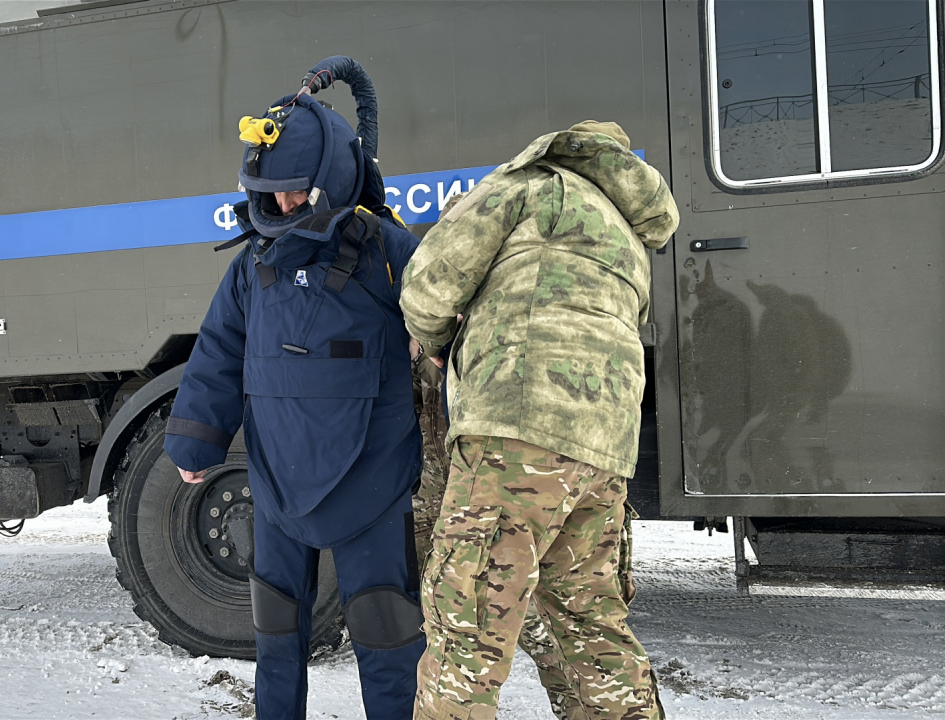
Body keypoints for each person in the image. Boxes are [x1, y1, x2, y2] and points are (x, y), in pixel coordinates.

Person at [163, 62, 426, 720]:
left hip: (371, 483)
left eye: (292, 194)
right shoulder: (253, 268)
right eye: (269, 194)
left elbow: (452, 327)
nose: (279, 207)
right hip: (277, 486)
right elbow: (220, 349)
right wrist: (196, 435)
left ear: (330, 180)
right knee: (276, 636)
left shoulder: (388, 250)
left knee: (386, 638)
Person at [400, 121, 679, 720]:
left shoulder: (527, 186)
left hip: (518, 432)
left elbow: (429, 284)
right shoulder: (626, 234)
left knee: (467, 623)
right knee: (591, 622)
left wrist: (441, 345)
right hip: (604, 451)